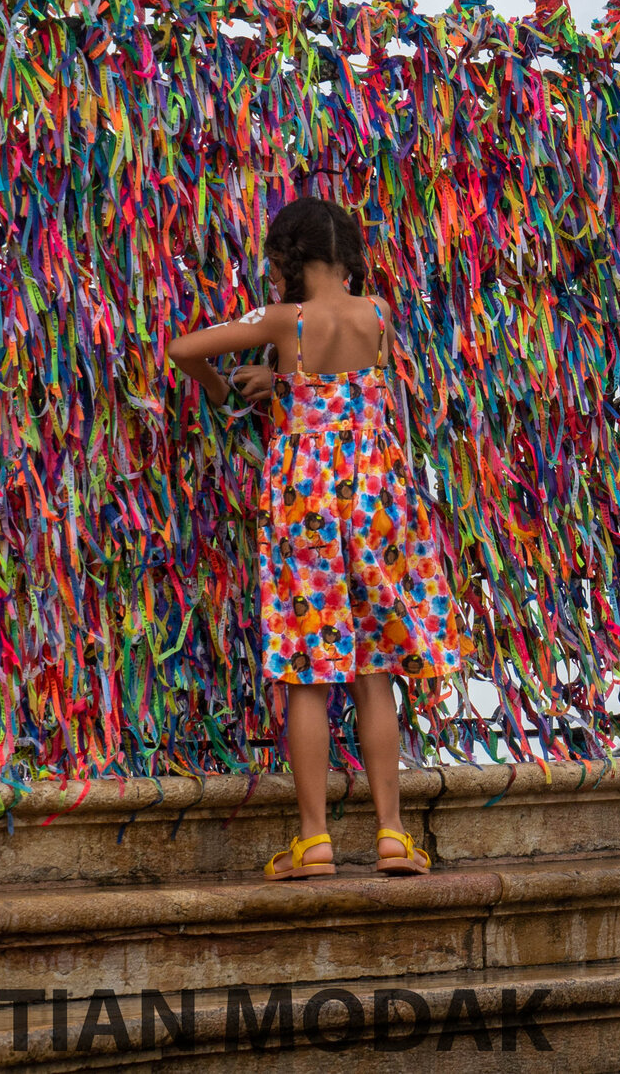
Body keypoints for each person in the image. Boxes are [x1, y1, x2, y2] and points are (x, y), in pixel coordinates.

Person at [167, 197, 458, 881]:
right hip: (375, 494)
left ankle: (314, 840)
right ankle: (391, 834)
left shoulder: (282, 321)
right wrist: (286, 379)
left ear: (284, 260)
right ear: (349, 255)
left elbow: (184, 349)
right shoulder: (378, 314)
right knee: (374, 666)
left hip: (306, 499)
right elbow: (348, 388)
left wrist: (233, 393)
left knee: (307, 668)